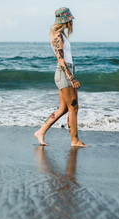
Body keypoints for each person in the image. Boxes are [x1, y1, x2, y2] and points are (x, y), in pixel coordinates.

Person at [34, 7, 87, 147]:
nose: (71, 22)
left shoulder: (61, 35)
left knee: (64, 109)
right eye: (70, 20)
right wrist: (72, 78)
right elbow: (61, 60)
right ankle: (74, 141)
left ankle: (40, 131)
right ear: (66, 20)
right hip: (64, 73)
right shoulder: (58, 37)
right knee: (73, 108)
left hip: (66, 72)